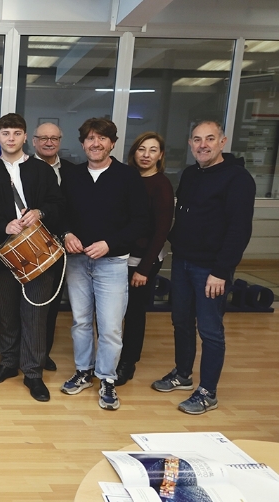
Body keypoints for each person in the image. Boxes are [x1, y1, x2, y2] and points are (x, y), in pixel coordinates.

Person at [151, 121, 255, 415]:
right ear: (190, 143)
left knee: (210, 330)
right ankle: (183, 375)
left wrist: (221, 271)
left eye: (210, 139)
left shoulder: (238, 179)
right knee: (181, 322)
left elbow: (239, 229)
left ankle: (208, 392)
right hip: (183, 262)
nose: (203, 145)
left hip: (211, 269)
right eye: (197, 139)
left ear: (223, 142)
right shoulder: (190, 173)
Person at [0, 113, 64, 402]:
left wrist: (40, 212)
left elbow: (58, 204)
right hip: (3, 253)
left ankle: (33, 373)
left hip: (37, 252)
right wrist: (4, 225)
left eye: (16, 133)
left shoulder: (42, 170)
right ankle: (8, 363)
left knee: (35, 314)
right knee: (7, 312)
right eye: (5, 133)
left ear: (25, 137)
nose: (10, 138)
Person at [59, 117, 148, 411]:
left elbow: (140, 222)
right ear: (83, 143)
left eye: (102, 139)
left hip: (112, 263)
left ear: (112, 143)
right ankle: (84, 372)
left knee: (110, 326)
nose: (95, 144)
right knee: (81, 321)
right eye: (90, 139)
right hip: (76, 262)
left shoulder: (128, 177)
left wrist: (110, 243)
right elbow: (61, 213)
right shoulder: (71, 175)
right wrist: (67, 233)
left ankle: (107, 379)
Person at [116, 132, 174, 386]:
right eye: (142, 149)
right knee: (113, 312)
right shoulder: (126, 179)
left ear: (160, 155)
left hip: (143, 260)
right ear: (134, 152)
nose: (146, 155)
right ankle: (112, 357)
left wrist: (144, 269)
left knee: (135, 313)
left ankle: (128, 363)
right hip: (118, 255)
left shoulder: (161, 185)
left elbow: (161, 232)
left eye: (152, 150)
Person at [33, 122, 76, 372]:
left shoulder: (72, 171)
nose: (49, 142)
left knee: (50, 304)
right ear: (34, 141)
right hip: (33, 246)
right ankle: (23, 351)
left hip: (62, 245)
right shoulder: (26, 169)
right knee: (29, 304)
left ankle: (43, 352)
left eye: (54, 138)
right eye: (44, 138)